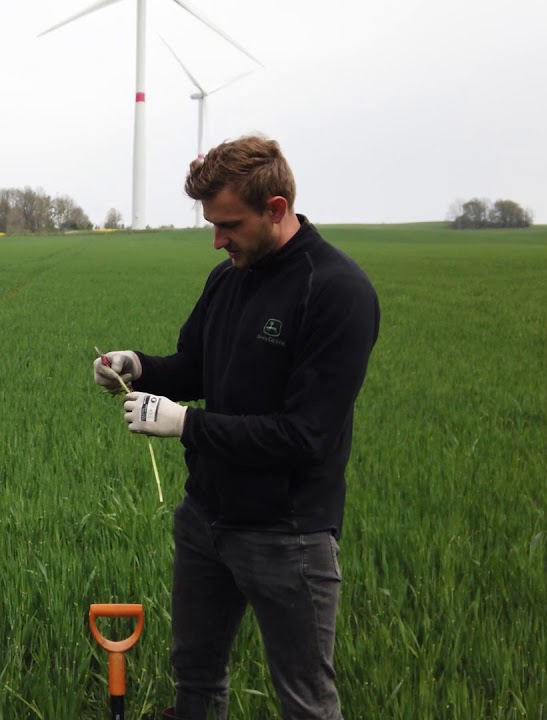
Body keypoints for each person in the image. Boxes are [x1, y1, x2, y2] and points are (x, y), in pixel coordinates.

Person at [93, 135, 379, 720]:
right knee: (194, 677)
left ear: (276, 209)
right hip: (204, 520)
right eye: (211, 226)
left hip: (287, 535)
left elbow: (306, 437)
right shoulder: (228, 277)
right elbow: (193, 367)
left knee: (306, 700)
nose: (218, 240)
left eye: (229, 224)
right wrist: (138, 367)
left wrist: (185, 425)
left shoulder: (335, 291)